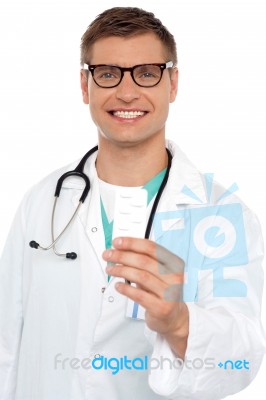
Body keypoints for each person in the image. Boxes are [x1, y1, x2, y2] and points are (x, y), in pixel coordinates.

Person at [0, 6, 265, 400]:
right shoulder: (44, 200)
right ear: (85, 86)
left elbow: (241, 363)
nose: (126, 92)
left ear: (172, 83)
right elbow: (7, 340)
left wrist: (179, 322)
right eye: (107, 74)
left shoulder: (219, 213)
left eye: (146, 73)